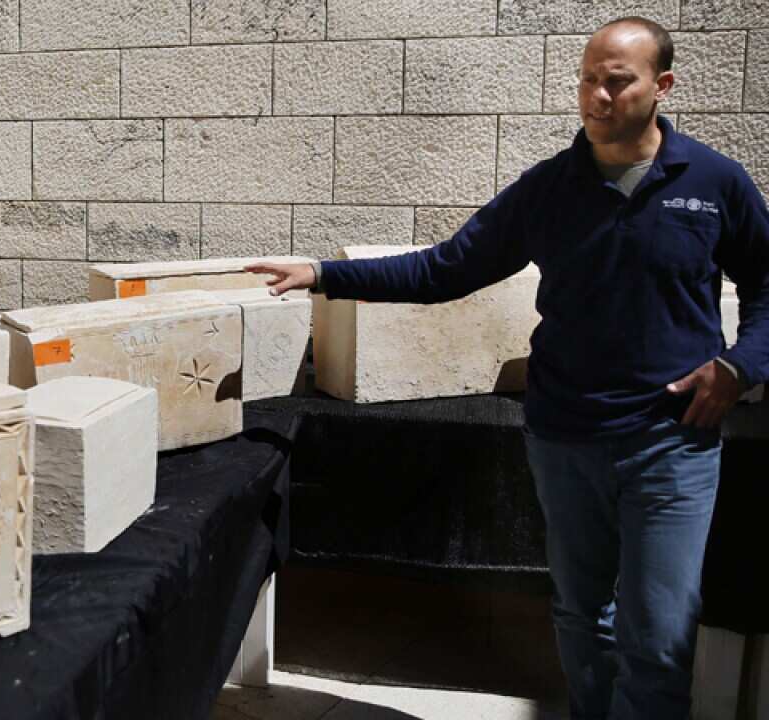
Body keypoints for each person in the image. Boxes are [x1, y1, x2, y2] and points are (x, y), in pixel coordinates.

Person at [247, 16, 769, 720]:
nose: (597, 96)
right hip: (566, 439)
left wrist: (738, 369)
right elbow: (446, 268)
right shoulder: (549, 188)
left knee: (660, 638)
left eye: (617, 82)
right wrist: (321, 272)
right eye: (588, 79)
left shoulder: (714, 183)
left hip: (670, 445)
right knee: (584, 617)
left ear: (661, 86)